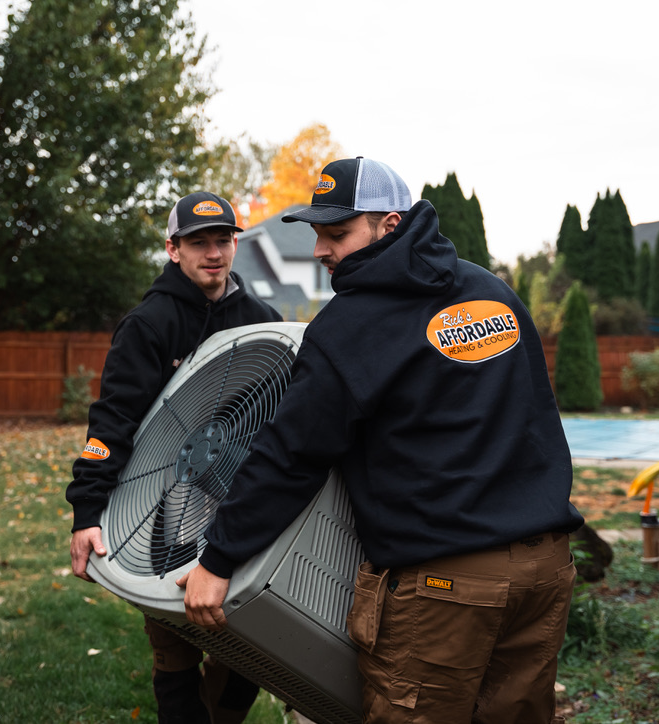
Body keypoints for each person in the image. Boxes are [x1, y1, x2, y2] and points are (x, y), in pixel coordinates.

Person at [178, 158, 584, 723]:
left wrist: (218, 559)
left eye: (337, 233)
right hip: (545, 570)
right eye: (318, 233)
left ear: (389, 225)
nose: (321, 250)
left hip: (447, 583)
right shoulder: (492, 292)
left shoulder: (350, 327)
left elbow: (292, 456)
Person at [67, 190, 281, 724]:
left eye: (224, 240)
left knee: (249, 640)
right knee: (175, 645)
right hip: (162, 505)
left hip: (241, 504)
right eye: (199, 242)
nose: (214, 253)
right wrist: (88, 510)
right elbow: (111, 422)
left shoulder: (262, 322)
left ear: (236, 244)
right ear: (173, 248)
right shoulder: (149, 324)